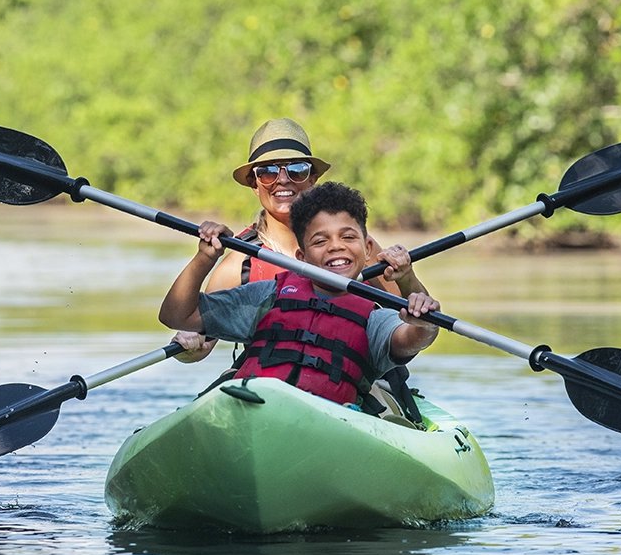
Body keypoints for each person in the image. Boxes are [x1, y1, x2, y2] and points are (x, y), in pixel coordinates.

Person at [159, 181, 441, 410]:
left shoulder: (374, 318)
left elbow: (414, 338)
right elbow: (176, 315)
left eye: (348, 237)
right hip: (252, 407)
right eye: (320, 241)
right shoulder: (266, 297)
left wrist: (422, 314)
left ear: (368, 248)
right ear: (301, 257)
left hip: (326, 424)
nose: (335, 247)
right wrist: (204, 258)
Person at [174, 117, 428, 361]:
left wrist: (407, 277)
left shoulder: (351, 249)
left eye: (297, 169)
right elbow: (200, 339)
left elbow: (410, 316)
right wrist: (189, 346)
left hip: (353, 374)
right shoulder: (239, 264)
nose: (282, 180)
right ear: (254, 183)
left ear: (313, 178)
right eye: (267, 172)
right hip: (270, 376)